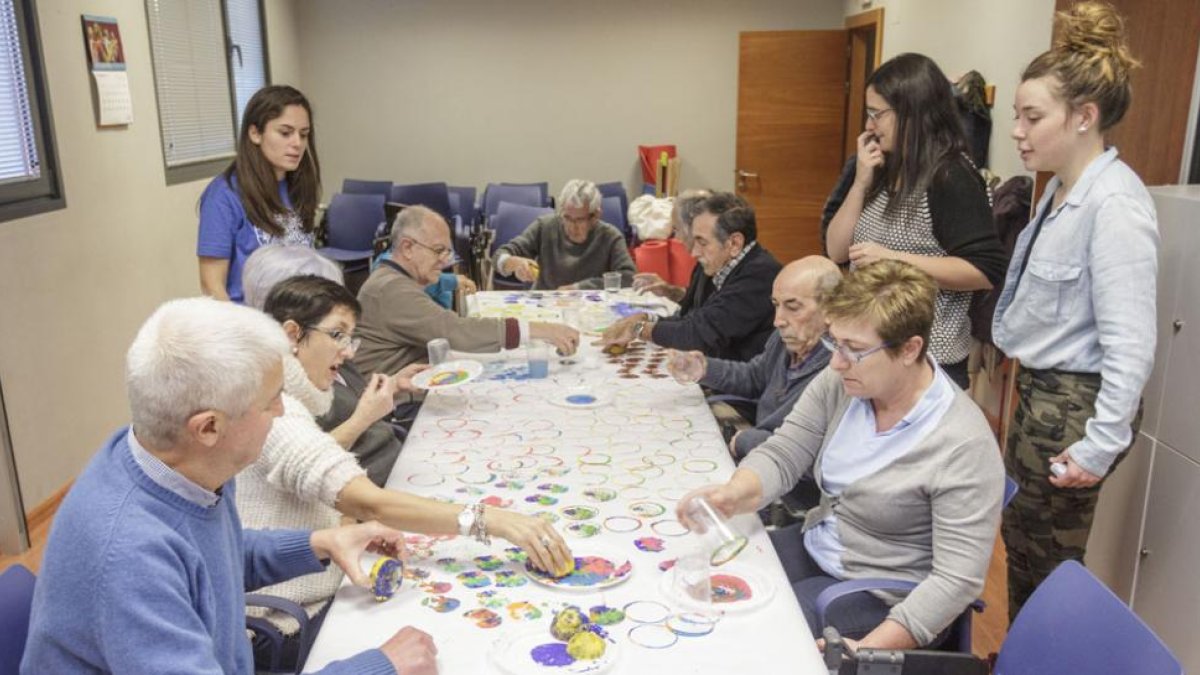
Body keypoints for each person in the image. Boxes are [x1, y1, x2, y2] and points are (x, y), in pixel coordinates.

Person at [21, 297, 437, 675]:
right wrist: (381, 667)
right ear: (208, 428)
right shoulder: (129, 556)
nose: (282, 411)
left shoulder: (175, 461)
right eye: (271, 400)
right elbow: (170, 563)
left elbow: (210, 558)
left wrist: (321, 543)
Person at [238, 275, 574, 666]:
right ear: (292, 334)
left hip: (322, 574)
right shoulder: (279, 414)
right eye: (337, 335)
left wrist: (338, 532)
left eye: (351, 338)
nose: (347, 352)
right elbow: (372, 503)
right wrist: (493, 521)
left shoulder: (290, 399)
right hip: (293, 622)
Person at [678, 260, 1004, 650]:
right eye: (835, 342)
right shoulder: (843, 382)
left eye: (855, 349)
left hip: (883, 597)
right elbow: (784, 452)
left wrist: (866, 652)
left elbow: (955, 582)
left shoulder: (962, 443)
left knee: (746, 631)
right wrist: (732, 494)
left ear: (910, 349)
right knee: (697, 583)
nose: (836, 361)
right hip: (818, 547)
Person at [993, 0, 1157, 621]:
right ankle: (1023, 652)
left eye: (1032, 117)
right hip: (1041, 394)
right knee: (1023, 542)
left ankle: (1047, 655)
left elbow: (1131, 343)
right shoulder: (1062, 191)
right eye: (1017, 116)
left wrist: (1098, 446)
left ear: (1085, 116)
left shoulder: (1115, 205)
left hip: (1071, 406)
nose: (1017, 131)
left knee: (1051, 562)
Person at [825, 53, 1006, 390]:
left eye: (877, 114)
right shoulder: (881, 167)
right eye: (868, 114)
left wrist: (894, 260)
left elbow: (983, 271)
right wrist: (861, 181)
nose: (869, 126)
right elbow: (836, 250)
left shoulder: (950, 176)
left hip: (927, 364)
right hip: (872, 356)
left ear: (913, 112)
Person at [243, 244, 404, 486]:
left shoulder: (324, 359)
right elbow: (309, 465)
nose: (349, 352)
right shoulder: (274, 397)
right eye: (337, 333)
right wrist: (364, 417)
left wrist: (393, 386)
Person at [355, 206, 579, 375]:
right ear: (407, 248)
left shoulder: (392, 277)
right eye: (438, 251)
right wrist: (541, 330)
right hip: (396, 408)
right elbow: (456, 330)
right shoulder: (392, 290)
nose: (444, 261)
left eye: (447, 252)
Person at [667, 256, 841, 459]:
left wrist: (745, 441)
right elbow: (754, 377)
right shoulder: (784, 340)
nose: (778, 320)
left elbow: (809, 450)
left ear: (831, 308)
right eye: (776, 305)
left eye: (793, 307)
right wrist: (704, 368)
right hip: (758, 449)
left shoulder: (839, 368)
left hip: (778, 466)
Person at [602, 192, 781, 362]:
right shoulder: (728, 264)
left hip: (743, 379)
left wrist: (639, 328)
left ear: (734, 243)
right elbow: (696, 318)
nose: (694, 252)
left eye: (702, 242)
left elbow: (699, 334)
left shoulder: (759, 276)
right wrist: (647, 319)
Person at [198, 85, 321, 303]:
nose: (297, 144)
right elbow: (212, 286)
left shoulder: (298, 185)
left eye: (303, 135)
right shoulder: (224, 196)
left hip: (300, 313)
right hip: (251, 319)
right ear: (255, 133)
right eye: (285, 133)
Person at [495, 179, 637, 290]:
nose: (572, 227)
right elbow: (499, 255)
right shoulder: (545, 226)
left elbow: (628, 277)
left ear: (595, 216)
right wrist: (514, 263)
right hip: (546, 303)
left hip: (588, 306)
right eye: (567, 218)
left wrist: (580, 288)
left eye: (579, 220)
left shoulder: (610, 236)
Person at [631, 189, 712, 302]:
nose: (677, 238)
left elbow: (708, 311)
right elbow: (695, 300)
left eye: (676, 229)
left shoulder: (716, 265)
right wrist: (669, 291)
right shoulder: (703, 263)